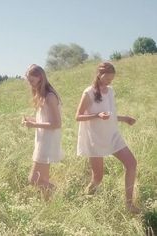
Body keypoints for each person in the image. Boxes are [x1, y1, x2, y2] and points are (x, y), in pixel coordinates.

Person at [75, 62, 140, 213]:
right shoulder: (89, 92)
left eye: (111, 80)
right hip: (95, 138)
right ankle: (84, 200)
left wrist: (124, 118)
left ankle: (129, 204)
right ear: (99, 75)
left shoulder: (110, 91)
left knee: (131, 164)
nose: (109, 82)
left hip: (112, 135)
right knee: (98, 178)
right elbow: (78, 116)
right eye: (107, 79)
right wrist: (97, 115)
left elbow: (109, 115)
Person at [22, 64, 63, 200]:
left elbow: (57, 123)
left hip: (48, 140)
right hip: (42, 139)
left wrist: (33, 125)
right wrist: (32, 120)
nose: (30, 84)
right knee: (42, 179)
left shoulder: (50, 96)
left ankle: (60, 193)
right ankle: (49, 204)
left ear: (40, 78)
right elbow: (46, 119)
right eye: (28, 81)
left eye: (31, 81)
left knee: (34, 179)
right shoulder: (42, 95)